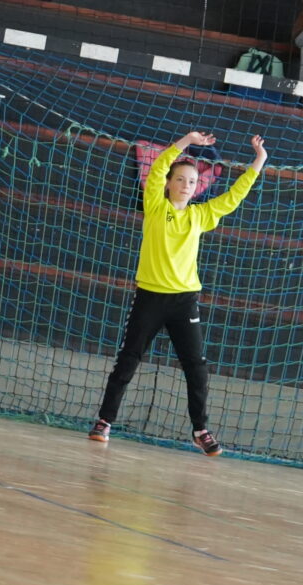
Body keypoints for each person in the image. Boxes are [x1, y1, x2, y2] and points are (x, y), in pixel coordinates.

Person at [91, 131, 267, 456]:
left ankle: (201, 430)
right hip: (150, 297)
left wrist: (259, 160)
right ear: (170, 183)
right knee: (128, 360)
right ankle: (104, 421)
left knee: (196, 367)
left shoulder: (200, 216)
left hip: (184, 301)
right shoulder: (156, 206)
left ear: (197, 187)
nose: (186, 185)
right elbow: (159, 167)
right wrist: (186, 141)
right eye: (181, 179)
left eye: (192, 181)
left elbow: (234, 196)